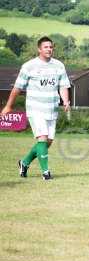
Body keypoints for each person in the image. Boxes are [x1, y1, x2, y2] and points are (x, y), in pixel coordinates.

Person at [0, 36, 70, 180]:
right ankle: (46, 173)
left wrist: (66, 100)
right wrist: (8, 106)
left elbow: (63, 85)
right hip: (35, 108)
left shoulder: (59, 65)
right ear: (39, 49)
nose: (49, 49)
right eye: (46, 47)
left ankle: (24, 163)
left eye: (51, 47)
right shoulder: (29, 66)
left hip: (52, 109)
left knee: (47, 142)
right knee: (42, 139)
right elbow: (17, 88)